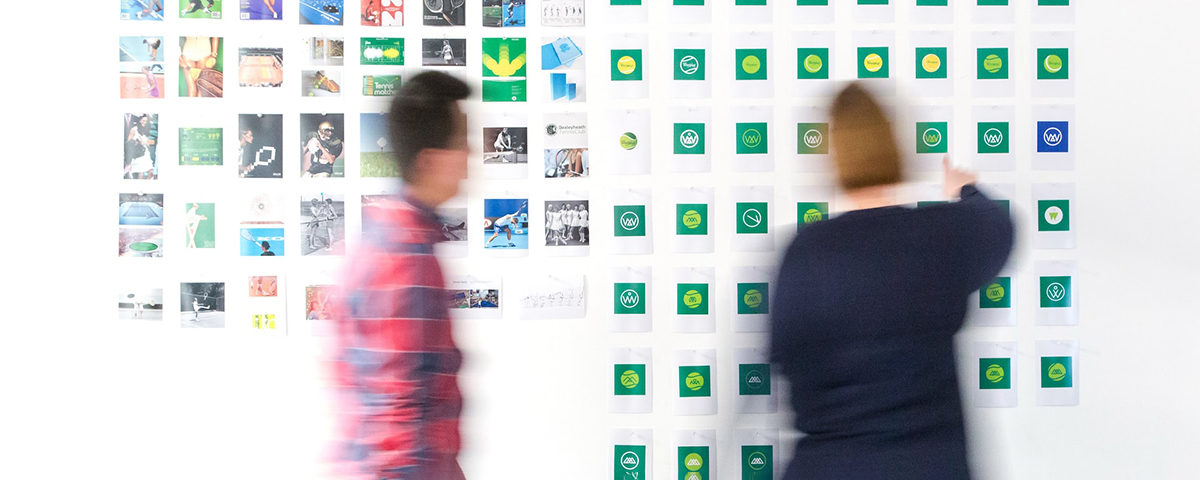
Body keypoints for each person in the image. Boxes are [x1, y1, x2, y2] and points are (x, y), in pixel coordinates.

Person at [770, 83, 1013, 480]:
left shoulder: (804, 252)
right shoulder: (942, 235)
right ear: (896, 147)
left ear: (834, 157)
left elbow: (784, 358)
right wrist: (964, 189)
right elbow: (998, 226)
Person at [329, 71, 471, 480]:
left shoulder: (391, 235)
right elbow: (399, 417)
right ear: (430, 160)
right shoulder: (405, 256)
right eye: (462, 142)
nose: (471, 155)